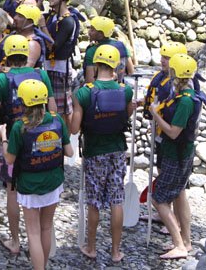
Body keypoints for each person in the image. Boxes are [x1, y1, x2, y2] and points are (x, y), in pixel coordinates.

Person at [0, 34, 56, 255]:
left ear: (6, 55)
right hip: (40, 136)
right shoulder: (41, 74)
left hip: (12, 136)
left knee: (12, 190)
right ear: (26, 53)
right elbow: (53, 109)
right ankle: (41, 238)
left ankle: (16, 241)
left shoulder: (1, 80)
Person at [70, 45, 134, 263]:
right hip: (117, 149)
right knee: (117, 198)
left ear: (96, 64)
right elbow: (126, 114)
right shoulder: (125, 90)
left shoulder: (84, 92)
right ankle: (116, 251)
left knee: (94, 200)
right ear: (116, 65)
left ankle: (91, 247)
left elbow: (74, 129)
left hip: (94, 151)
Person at [3, 79, 73, 270]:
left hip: (29, 185)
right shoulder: (57, 120)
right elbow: (70, 152)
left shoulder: (19, 127)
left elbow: (9, 160)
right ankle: (44, 264)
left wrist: (3, 137)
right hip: (53, 181)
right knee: (46, 228)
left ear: (23, 102)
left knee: (33, 233)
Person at [148, 54, 202, 261]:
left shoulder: (186, 102)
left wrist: (155, 114)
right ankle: (186, 242)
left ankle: (179, 244)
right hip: (180, 154)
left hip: (176, 155)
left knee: (159, 199)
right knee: (178, 192)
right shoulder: (184, 95)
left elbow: (173, 132)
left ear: (175, 75)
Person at [42, 0, 81, 126]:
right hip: (48, 66)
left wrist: (43, 27)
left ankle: (67, 140)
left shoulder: (68, 21)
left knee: (63, 108)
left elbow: (54, 46)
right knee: (49, 104)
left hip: (60, 69)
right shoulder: (52, 16)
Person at [0, 4, 51, 69]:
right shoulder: (12, 35)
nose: (15, 18)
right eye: (16, 14)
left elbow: (25, 70)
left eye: (20, 16)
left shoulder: (32, 44)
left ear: (30, 22)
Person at [84, 16, 134, 83]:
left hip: (98, 90)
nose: (89, 32)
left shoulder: (92, 51)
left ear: (101, 34)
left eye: (92, 30)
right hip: (118, 87)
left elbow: (89, 81)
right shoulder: (121, 45)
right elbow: (131, 71)